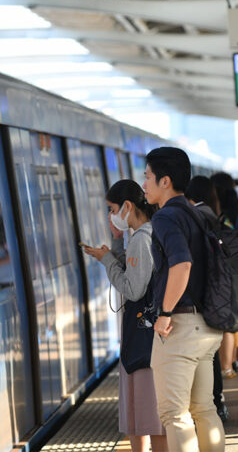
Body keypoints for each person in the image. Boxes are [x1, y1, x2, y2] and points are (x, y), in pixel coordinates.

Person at [143, 147, 225, 452]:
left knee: (174, 415)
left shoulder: (166, 217)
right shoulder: (197, 212)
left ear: (165, 181)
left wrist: (165, 312)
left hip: (180, 325)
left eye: (148, 176)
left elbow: (182, 263)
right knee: (203, 410)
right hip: (208, 325)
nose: (144, 184)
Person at [82, 180, 167, 452]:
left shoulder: (142, 238)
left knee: (147, 417)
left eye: (112, 209)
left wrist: (106, 261)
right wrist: (116, 247)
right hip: (146, 336)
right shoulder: (142, 235)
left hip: (143, 339)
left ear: (127, 206)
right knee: (144, 416)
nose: (110, 216)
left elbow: (132, 289)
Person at [184, 175, 230, 422]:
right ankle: (217, 402)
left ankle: (213, 404)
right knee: (211, 354)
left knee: (205, 358)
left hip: (203, 300)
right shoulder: (214, 216)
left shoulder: (196, 217)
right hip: (218, 297)